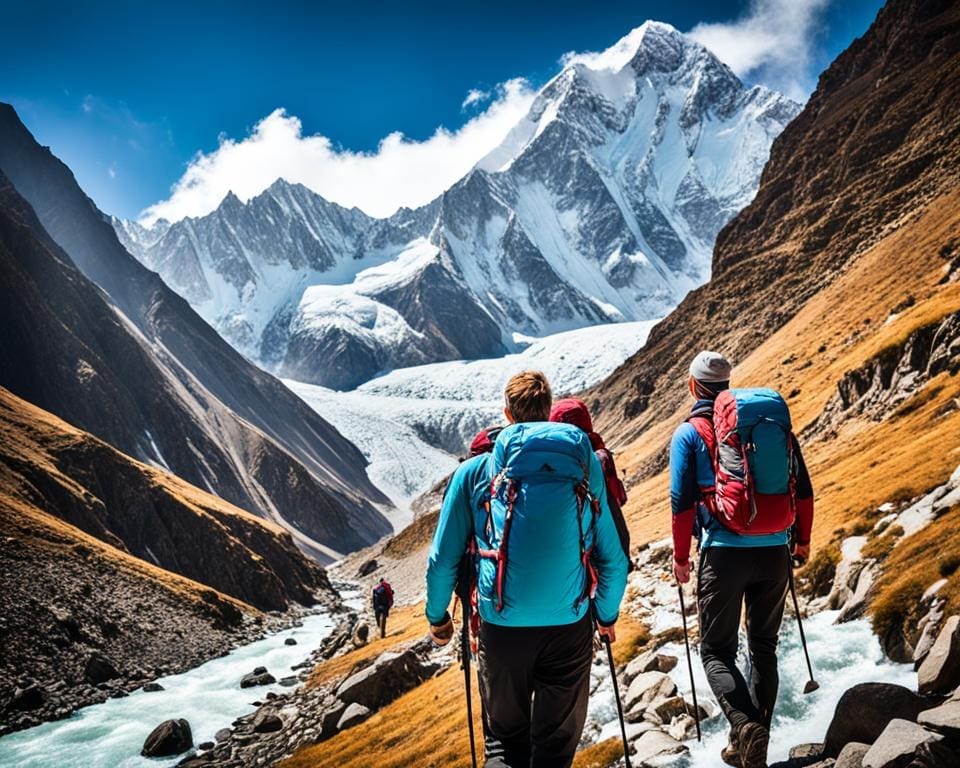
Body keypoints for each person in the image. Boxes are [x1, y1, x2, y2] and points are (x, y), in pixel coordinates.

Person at [426, 370, 629, 768]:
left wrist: (438, 619)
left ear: (507, 414)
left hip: (501, 628)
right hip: (568, 626)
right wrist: (605, 615)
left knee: (504, 743)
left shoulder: (473, 473)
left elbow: (442, 560)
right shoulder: (582, 464)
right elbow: (613, 557)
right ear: (548, 412)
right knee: (553, 749)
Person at [670, 351, 814, 768]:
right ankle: (754, 743)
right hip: (775, 551)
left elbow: (681, 502)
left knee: (716, 651)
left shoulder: (689, 434)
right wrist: (801, 542)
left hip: (723, 555)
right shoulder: (767, 426)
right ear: (728, 386)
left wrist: (681, 558)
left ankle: (746, 728)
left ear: (694, 385)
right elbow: (803, 490)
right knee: (764, 646)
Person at [549, 397, 630, 559]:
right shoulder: (600, 456)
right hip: (609, 548)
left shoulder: (553, 460)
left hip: (571, 553)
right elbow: (618, 498)